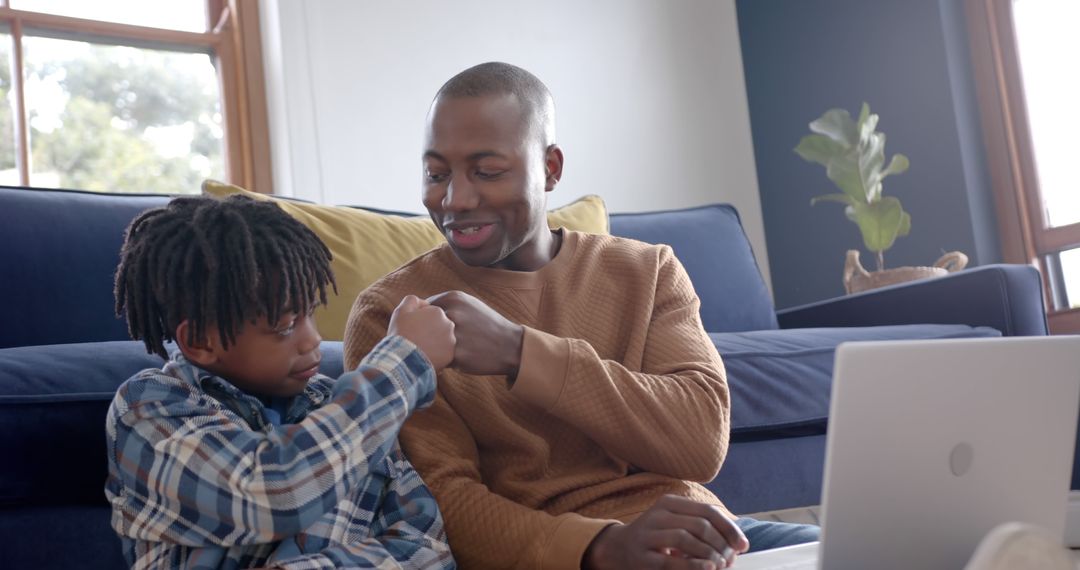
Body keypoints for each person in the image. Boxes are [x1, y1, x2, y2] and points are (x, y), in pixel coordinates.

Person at [343, 62, 819, 569]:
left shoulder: (647, 270)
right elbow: (439, 505)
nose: (454, 199)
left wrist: (518, 351)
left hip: (703, 538)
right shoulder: (391, 315)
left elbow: (701, 443)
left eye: (487, 171)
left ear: (550, 168)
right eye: (437, 174)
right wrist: (602, 547)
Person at [106, 194, 458, 569]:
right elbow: (275, 493)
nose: (313, 339)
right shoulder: (150, 410)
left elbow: (427, 548)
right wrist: (401, 365)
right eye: (286, 326)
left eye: (309, 313)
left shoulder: (345, 407)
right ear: (199, 342)